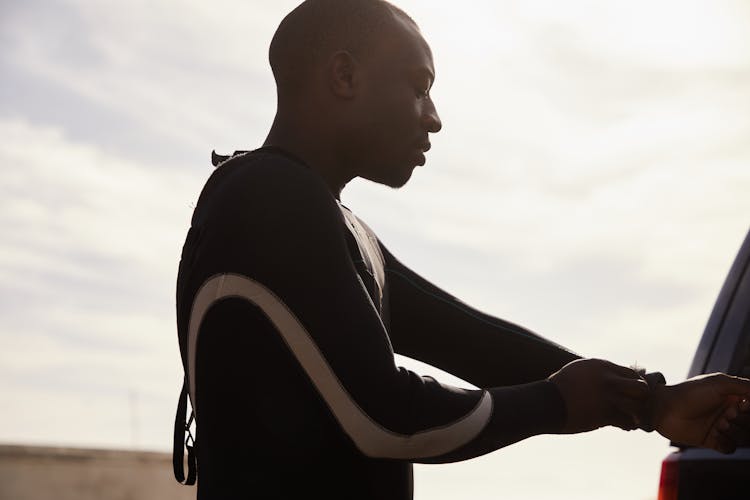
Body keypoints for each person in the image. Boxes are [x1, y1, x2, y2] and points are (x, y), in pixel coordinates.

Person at [173, 1, 750, 498]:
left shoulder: (327, 221)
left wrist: (652, 403)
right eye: (419, 86)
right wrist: (556, 404)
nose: (435, 118)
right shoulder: (266, 200)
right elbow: (386, 418)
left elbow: (473, 342)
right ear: (344, 76)